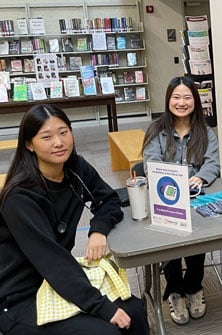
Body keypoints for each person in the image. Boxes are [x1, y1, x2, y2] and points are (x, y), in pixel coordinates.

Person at [0, 104, 149, 335]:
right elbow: (52, 261)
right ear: (29, 144)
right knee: (104, 331)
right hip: (22, 296)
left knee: (135, 310)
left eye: (63, 132)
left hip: (59, 281)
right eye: (46, 137)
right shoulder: (19, 196)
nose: (59, 142)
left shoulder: (76, 169)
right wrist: (101, 307)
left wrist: (98, 230)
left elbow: (109, 199)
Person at [142, 76, 220, 325]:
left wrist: (200, 178)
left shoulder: (205, 132)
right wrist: (172, 181)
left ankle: (195, 287)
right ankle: (175, 290)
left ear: (195, 101)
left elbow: (213, 163)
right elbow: (150, 164)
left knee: (198, 240)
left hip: (195, 199)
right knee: (171, 245)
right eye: (176, 97)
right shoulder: (156, 130)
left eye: (187, 97)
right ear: (168, 100)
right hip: (166, 199)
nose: (181, 102)